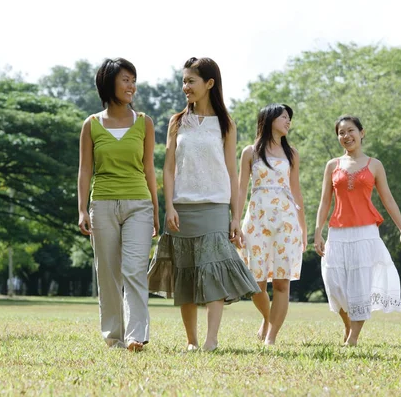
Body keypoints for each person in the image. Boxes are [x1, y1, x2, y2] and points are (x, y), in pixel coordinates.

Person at [148, 57, 260, 352]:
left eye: (191, 81)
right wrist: (169, 207)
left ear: (209, 84)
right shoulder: (177, 122)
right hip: (183, 207)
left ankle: (211, 339)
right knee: (185, 273)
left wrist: (236, 216)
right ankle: (191, 341)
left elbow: (233, 172)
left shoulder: (226, 124)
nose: (185, 87)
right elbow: (169, 168)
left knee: (211, 272)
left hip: (214, 206)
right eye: (184, 81)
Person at [77, 58, 159, 352]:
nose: (131, 86)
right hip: (102, 204)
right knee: (108, 273)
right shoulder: (92, 124)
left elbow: (149, 168)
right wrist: (82, 209)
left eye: (133, 80)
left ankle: (137, 335)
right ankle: (115, 337)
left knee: (135, 269)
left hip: (139, 204)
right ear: (109, 82)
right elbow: (85, 170)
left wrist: (156, 211)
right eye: (125, 79)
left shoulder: (144, 122)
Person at [314, 115, 401, 346]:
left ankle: (353, 339)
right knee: (334, 283)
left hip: (365, 232)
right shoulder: (332, 165)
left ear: (362, 132)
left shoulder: (374, 165)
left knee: (361, 285)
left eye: (350, 131)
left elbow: (388, 199)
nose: (346, 136)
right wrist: (318, 231)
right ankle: (349, 326)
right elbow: (324, 201)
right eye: (341, 133)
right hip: (337, 232)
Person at [237, 103, 307, 346]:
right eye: (284, 117)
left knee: (281, 281)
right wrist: (235, 222)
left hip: (286, 222)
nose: (288, 121)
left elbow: (297, 192)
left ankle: (271, 337)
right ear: (269, 119)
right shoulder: (251, 152)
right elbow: (241, 189)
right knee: (256, 283)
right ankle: (268, 319)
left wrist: (303, 228)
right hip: (257, 218)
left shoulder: (292, 154)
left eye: (289, 118)